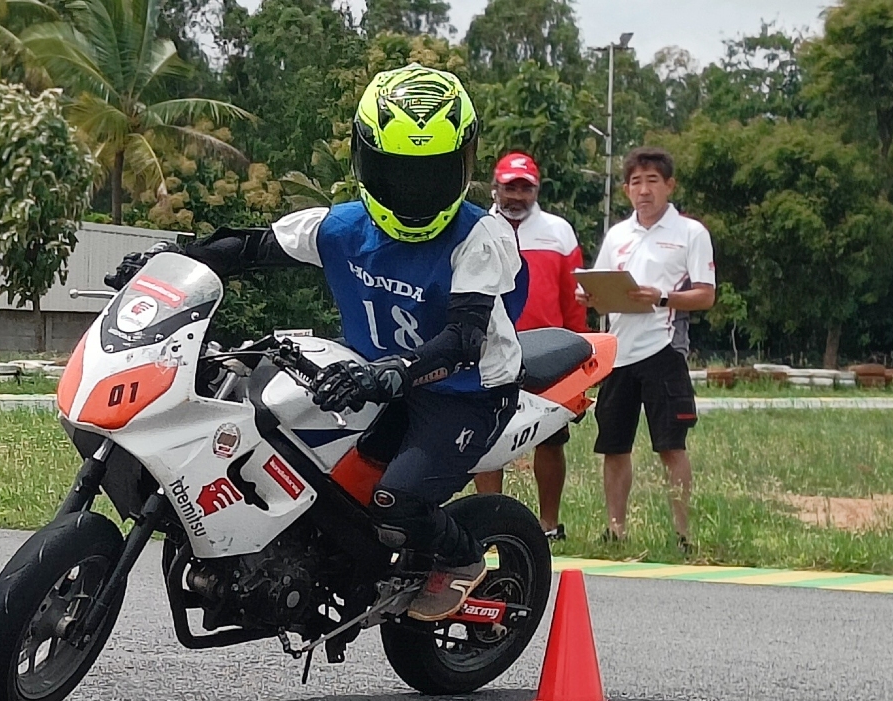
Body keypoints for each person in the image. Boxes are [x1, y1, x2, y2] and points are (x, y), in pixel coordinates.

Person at [111, 64, 526, 621]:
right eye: (397, 172)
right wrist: (173, 261)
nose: (413, 192)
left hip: (467, 390)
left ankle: (460, 559)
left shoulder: (482, 236)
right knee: (289, 439)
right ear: (363, 159)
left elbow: (464, 338)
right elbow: (250, 247)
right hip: (376, 373)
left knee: (395, 500)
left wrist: (395, 372)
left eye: (430, 175)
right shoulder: (340, 226)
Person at [578, 146, 715, 549]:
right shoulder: (618, 234)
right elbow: (597, 282)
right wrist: (590, 296)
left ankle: (683, 533)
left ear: (669, 185)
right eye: (636, 182)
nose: (644, 190)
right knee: (614, 446)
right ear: (626, 190)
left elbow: (706, 295)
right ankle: (615, 529)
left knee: (671, 445)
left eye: (653, 181)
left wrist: (662, 298)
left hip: (664, 349)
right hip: (619, 351)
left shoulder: (690, 233)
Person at [473, 152, 587, 540]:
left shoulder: (559, 232)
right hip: (491, 351)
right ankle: (488, 526)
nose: (517, 196)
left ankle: (549, 526)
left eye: (525, 188)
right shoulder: (478, 227)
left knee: (551, 440)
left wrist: (582, 356)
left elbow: (574, 300)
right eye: (510, 187)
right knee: (488, 442)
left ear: (536, 189)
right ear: (496, 187)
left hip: (550, 353)